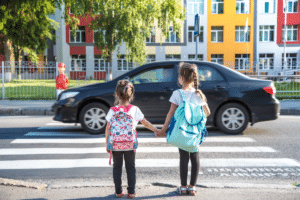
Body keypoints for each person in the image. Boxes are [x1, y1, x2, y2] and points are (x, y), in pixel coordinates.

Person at [156, 62, 210, 196]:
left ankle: (183, 187)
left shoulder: (177, 93)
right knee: (195, 157)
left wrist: (163, 129)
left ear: (180, 77)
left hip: (182, 131)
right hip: (195, 132)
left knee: (183, 157)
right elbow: (207, 112)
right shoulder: (199, 94)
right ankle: (192, 187)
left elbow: (170, 114)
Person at [105, 79, 159, 198]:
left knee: (117, 167)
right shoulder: (134, 109)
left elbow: (108, 128)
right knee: (131, 167)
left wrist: (107, 144)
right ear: (131, 95)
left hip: (116, 144)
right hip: (130, 144)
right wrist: (156, 130)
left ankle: (118, 191)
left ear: (117, 94)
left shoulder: (112, 111)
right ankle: (131, 191)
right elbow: (145, 123)